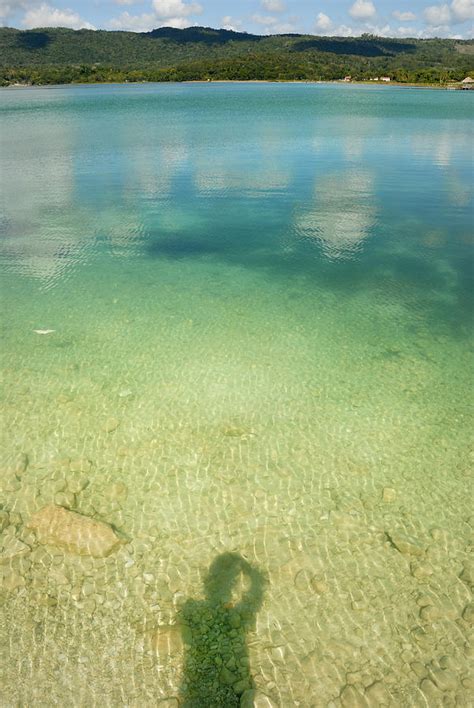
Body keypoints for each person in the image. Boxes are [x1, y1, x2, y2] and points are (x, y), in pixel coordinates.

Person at [178, 552, 266, 707]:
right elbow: (256, 595)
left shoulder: (191, 608)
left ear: (208, 582)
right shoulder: (237, 613)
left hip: (194, 688)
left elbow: (182, 621)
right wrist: (252, 572)